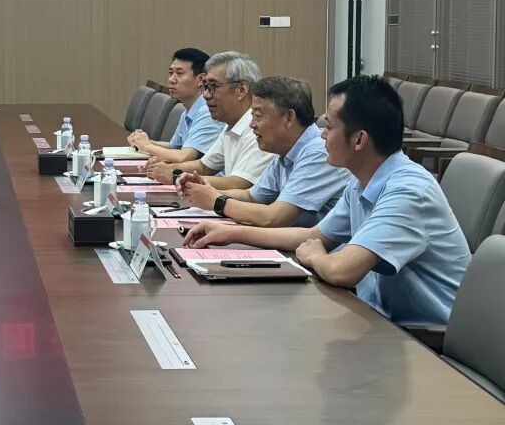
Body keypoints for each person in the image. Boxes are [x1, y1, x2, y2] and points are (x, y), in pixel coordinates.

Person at [182, 76, 471, 327]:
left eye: (329, 127)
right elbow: (312, 235)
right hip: (378, 319)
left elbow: (341, 270)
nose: (321, 135)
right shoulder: (362, 181)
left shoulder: (408, 191)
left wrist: (314, 257)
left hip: (426, 340)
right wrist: (230, 233)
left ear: (359, 140)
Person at [176, 76, 349, 227]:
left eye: (258, 116)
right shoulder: (285, 151)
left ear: (288, 118)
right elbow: (252, 196)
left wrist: (217, 201)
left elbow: (274, 218)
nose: (252, 124)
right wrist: (204, 189)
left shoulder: (318, 152)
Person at [147, 51, 273, 189]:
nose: (206, 95)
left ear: (241, 90)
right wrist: (166, 168)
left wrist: (175, 176)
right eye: (206, 87)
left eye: (213, 87)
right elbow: (205, 167)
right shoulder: (231, 124)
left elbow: (240, 184)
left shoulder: (258, 129)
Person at [127, 48, 224, 163]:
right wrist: (141, 141)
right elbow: (174, 147)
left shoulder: (208, 112)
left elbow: (183, 156)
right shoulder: (189, 110)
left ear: (201, 80)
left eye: (179, 73)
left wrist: (147, 146)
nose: (171, 79)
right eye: (171, 73)